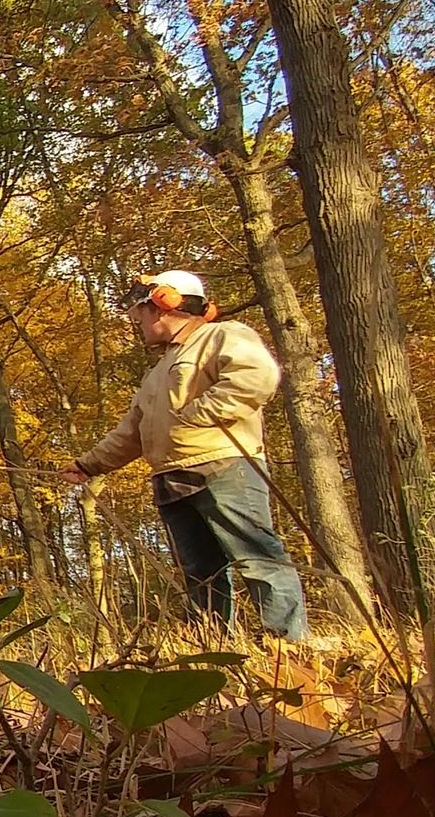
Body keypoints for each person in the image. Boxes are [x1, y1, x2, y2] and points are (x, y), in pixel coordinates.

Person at [59, 270, 311, 641]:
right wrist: (88, 465)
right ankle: (213, 648)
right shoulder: (157, 372)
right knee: (199, 571)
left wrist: (199, 414)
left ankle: (288, 645)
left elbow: (256, 377)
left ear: (164, 305)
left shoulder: (224, 336)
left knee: (258, 559)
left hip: (224, 467)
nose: (137, 323)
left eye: (140, 314)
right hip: (171, 479)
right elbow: (131, 433)